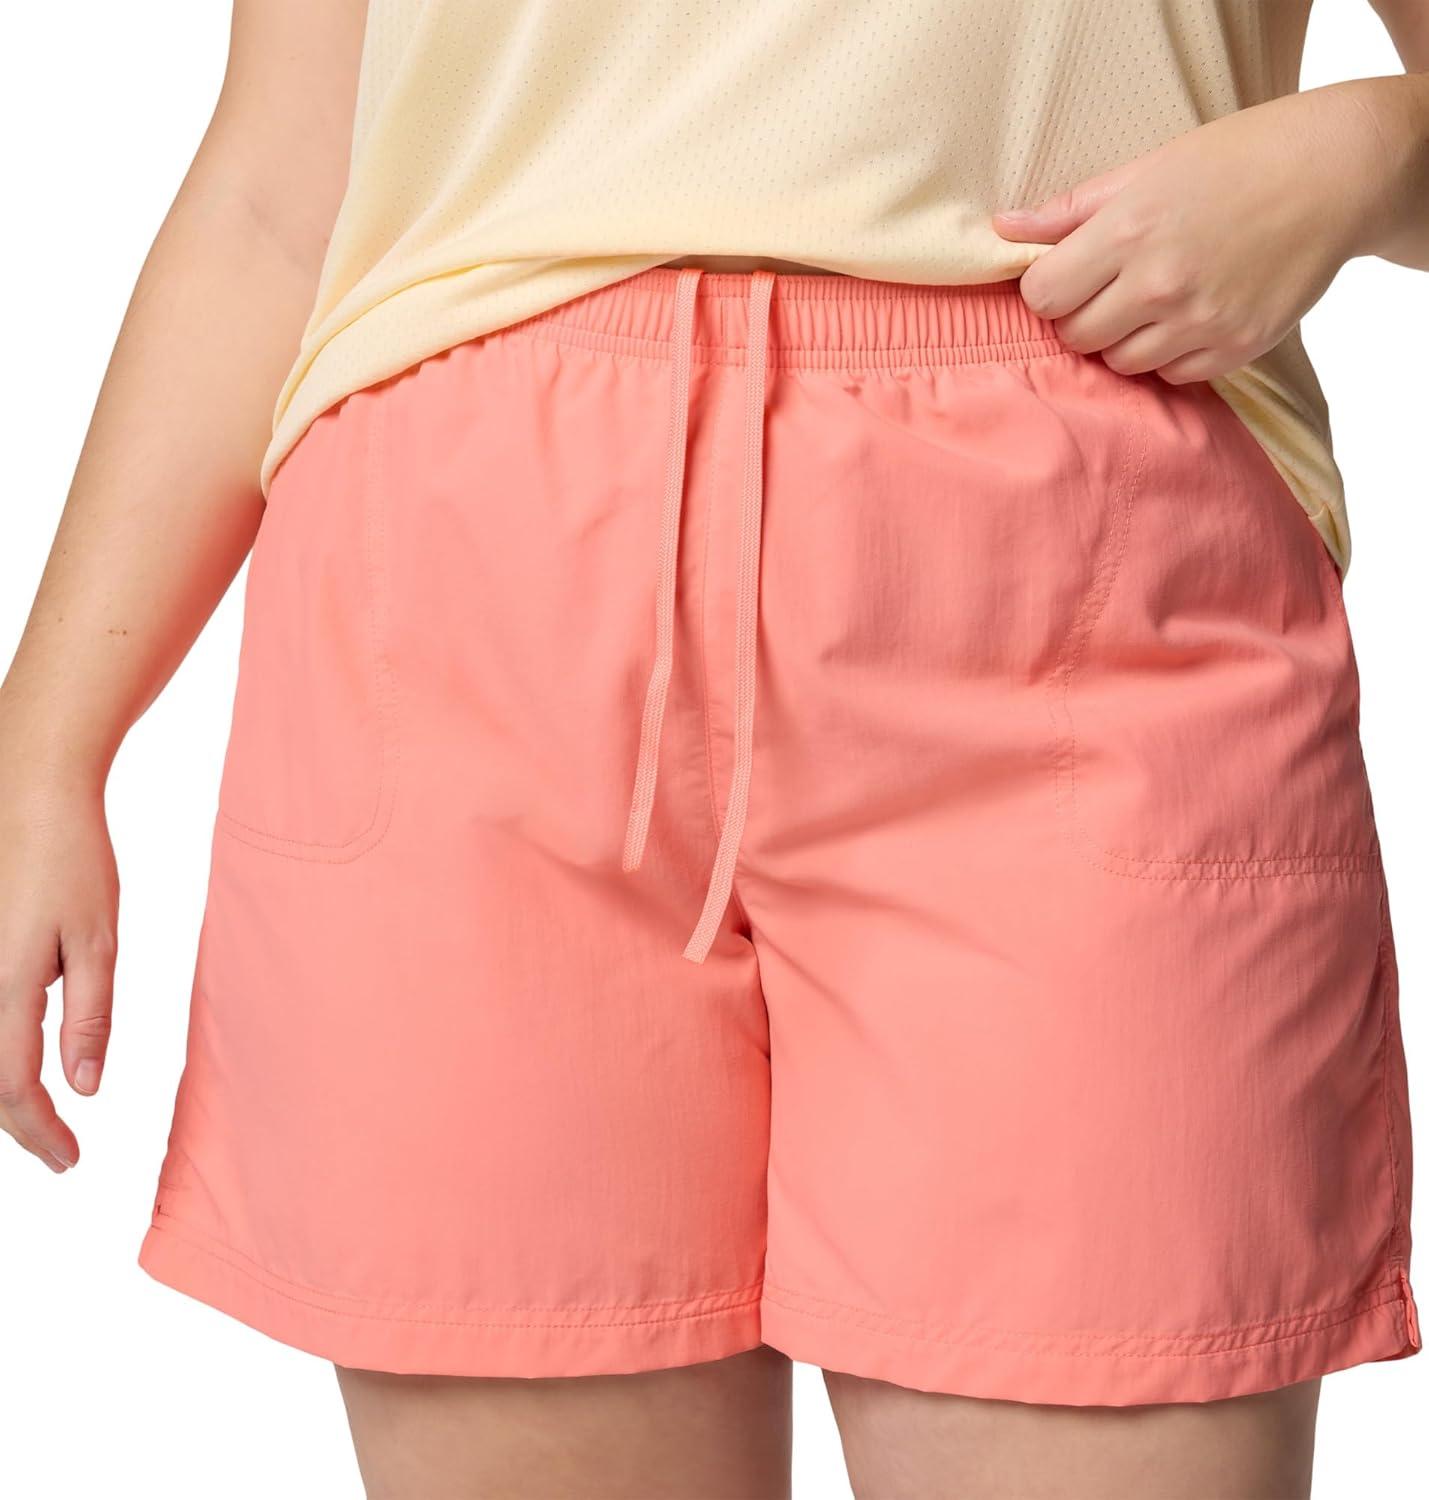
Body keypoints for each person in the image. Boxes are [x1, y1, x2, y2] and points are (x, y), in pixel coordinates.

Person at [1, 2, 1425, 1495]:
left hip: (1084, 604)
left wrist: (1369, 151)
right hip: (469, 620)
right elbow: (277, 198)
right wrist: (47, 745)